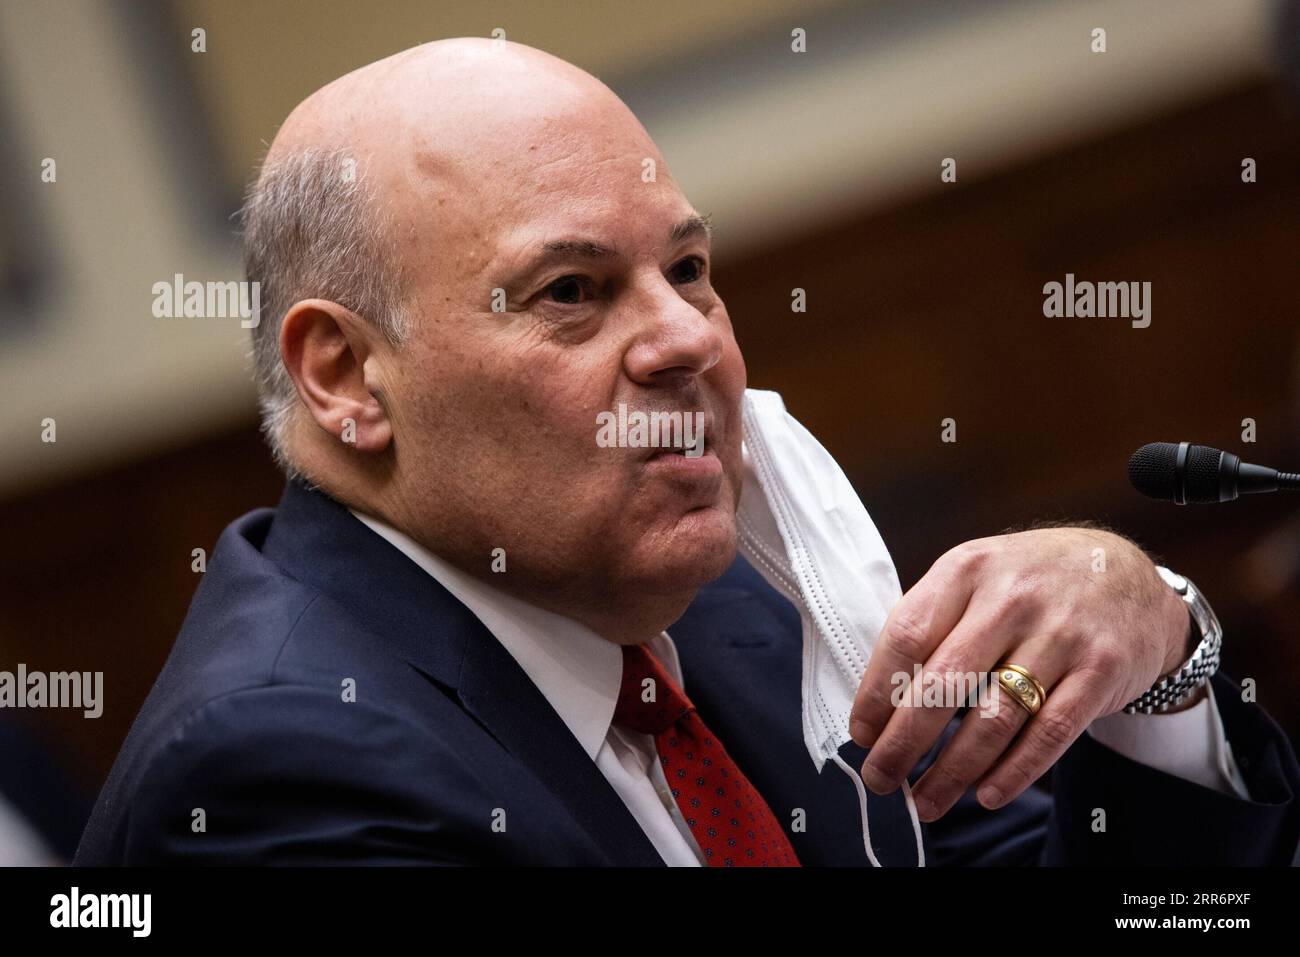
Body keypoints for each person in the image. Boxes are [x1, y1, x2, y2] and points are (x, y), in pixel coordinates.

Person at [75, 38, 1298, 866]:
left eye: (690, 270)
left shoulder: (725, 606)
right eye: (570, 290)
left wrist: (1158, 659)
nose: (687, 340)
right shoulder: (279, 768)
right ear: (346, 377)